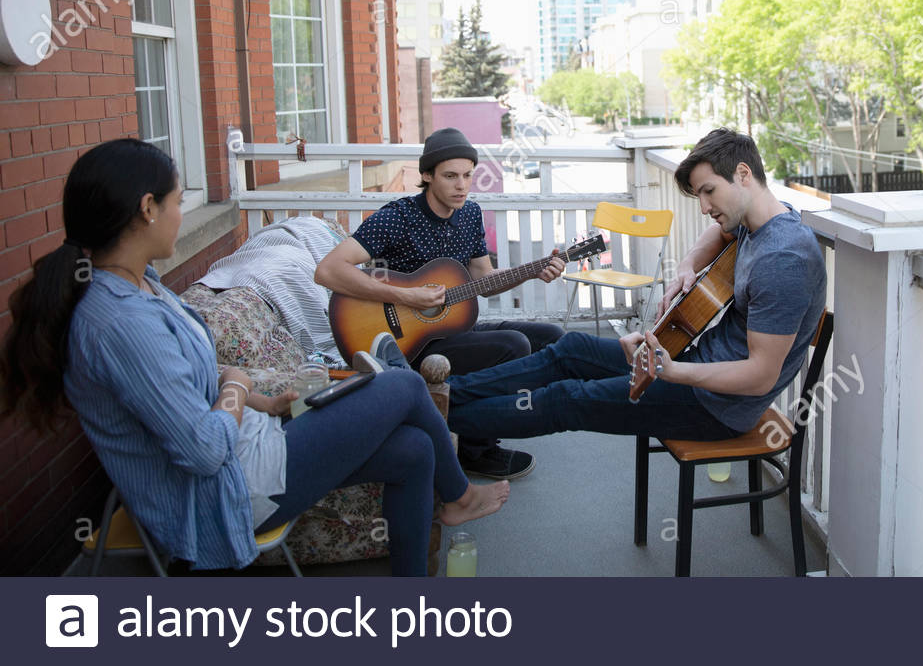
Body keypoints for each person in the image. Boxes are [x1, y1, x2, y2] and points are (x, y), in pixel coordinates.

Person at [0, 139, 507, 576]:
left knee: (415, 450)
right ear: (148, 208)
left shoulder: (143, 286)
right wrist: (238, 387)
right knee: (402, 388)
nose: (183, 211)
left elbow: (178, 375)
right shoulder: (118, 322)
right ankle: (457, 495)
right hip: (222, 494)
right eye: (180, 200)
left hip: (248, 445)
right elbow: (200, 451)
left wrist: (259, 401)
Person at [445, 128, 827, 443]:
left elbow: (761, 375)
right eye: (700, 196)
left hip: (716, 407)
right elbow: (720, 233)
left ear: (744, 174)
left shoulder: (784, 259)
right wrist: (687, 266)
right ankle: (445, 395)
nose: (705, 207)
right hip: (692, 362)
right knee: (569, 350)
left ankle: (438, 421)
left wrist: (672, 371)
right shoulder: (758, 219)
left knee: (565, 400)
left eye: (709, 191)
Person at [315, 127, 566, 481]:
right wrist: (407, 296)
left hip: (449, 331)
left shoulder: (470, 215)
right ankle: (476, 450)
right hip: (400, 343)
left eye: (467, 176)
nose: (462, 185)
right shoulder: (398, 217)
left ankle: (489, 414)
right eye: (450, 176)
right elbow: (327, 271)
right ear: (427, 175)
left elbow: (486, 281)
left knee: (550, 336)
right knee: (514, 346)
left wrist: (532, 271)